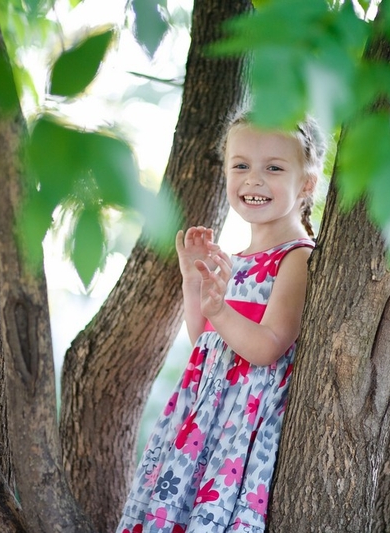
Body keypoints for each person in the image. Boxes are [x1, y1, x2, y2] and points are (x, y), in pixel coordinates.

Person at [116, 112, 327, 533]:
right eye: (241, 165)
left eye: (273, 168)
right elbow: (207, 341)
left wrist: (220, 310)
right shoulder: (237, 259)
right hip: (205, 416)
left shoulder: (297, 258)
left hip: (239, 423)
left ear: (306, 184)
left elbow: (267, 346)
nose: (254, 179)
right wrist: (193, 281)